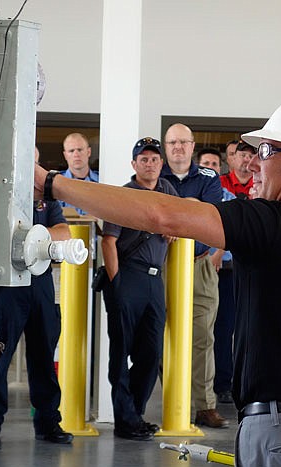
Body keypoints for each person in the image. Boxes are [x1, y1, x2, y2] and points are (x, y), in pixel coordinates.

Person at [33, 95, 281, 467]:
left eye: (265, 152)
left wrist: (52, 184)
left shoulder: (268, 223)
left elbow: (162, 215)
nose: (253, 165)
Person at [0, 147, 74, 449]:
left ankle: (48, 423)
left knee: (44, 357)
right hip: (8, 287)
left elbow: (64, 231)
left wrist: (33, 236)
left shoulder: (44, 198)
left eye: (34, 161)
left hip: (41, 284)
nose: (30, 167)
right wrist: (40, 239)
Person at [101, 137, 178, 441]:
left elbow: (184, 219)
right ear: (134, 164)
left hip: (155, 279)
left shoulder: (168, 191)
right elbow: (108, 241)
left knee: (151, 352)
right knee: (121, 352)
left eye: (154, 159)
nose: (149, 164)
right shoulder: (123, 196)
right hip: (128, 276)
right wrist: (117, 282)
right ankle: (126, 420)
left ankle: (134, 413)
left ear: (162, 163)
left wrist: (173, 228)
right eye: (143, 159)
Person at [160, 123, 228, 428]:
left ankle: (204, 406)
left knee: (202, 337)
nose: (177, 147)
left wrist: (174, 212)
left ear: (192, 146)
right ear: (166, 146)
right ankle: (172, 403)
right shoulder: (153, 176)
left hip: (200, 266)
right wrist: (190, 208)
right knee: (162, 335)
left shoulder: (209, 178)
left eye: (183, 142)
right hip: (161, 266)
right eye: (172, 142)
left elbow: (209, 217)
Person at [197, 149, 237, 404]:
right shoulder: (192, 196)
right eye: (205, 164)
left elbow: (231, 231)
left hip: (225, 271)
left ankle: (220, 386)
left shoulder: (229, 198)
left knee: (221, 332)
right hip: (194, 270)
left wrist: (217, 254)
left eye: (214, 164)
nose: (210, 167)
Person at [59, 132, 99, 215]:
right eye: (71, 151)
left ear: (88, 152)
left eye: (80, 150)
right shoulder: (56, 183)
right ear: (65, 155)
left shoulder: (102, 181)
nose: (76, 154)